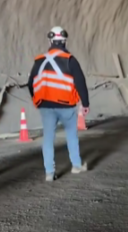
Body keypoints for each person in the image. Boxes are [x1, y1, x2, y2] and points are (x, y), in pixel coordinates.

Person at [27, 26, 90, 182]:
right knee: (71, 135)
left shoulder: (39, 60)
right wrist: (85, 103)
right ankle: (76, 166)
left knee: (48, 138)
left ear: (50, 41)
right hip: (66, 105)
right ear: (64, 41)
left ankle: (49, 172)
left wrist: (36, 99)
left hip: (46, 106)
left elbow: (30, 83)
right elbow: (80, 82)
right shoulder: (70, 59)